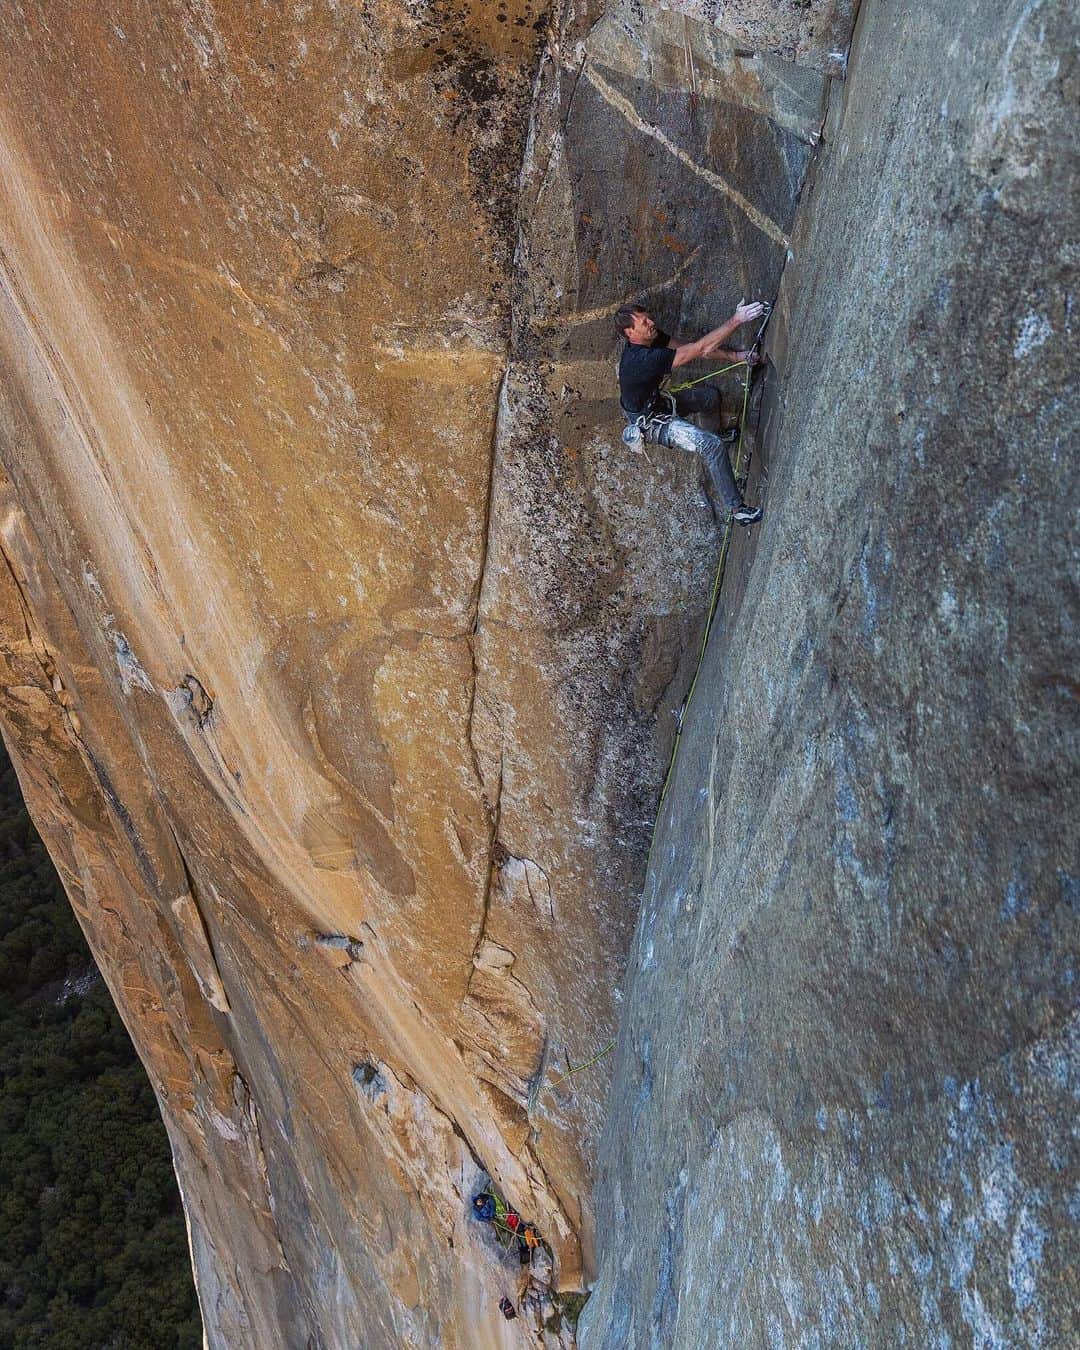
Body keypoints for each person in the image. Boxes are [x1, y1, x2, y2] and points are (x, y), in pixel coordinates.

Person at [616, 301, 766, 524]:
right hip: (650, 424)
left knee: (709, 398)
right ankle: (738, 511)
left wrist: (736, 357)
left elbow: (696, 348)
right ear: (630, 333)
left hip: (656, 404)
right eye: (644, 321)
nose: (651, 322)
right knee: (710, 445)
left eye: (648, 317)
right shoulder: (641, 360)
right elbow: (700, 348)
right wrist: (737, 320)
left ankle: (721, 436)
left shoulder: (652, 338)